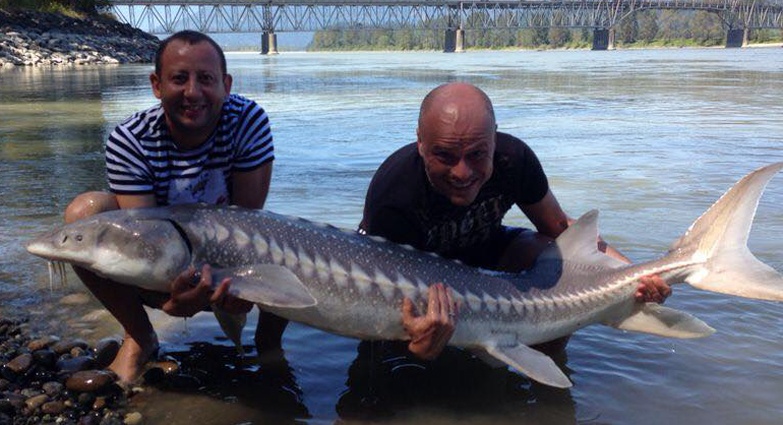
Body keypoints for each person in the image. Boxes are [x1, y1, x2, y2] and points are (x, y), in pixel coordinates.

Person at [358, 82, 671, 363]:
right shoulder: (393, 194)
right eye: (445, 155)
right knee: (392, 358)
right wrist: (414, 348)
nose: (462, 173)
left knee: (555, 258)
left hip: (487, 251)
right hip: (417, 276)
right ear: (420, 143)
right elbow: (380, 298)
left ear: (495, 139)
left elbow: (560, 227)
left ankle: (549, 361)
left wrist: (636, 274)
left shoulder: (514, 159)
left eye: (477, 154)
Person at [64, 30, 284, 383]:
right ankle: (139, 336)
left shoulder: (248, 120)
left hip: (234, 249)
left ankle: (270, 346)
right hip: (168, 260)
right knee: (83, 217)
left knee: (285, 242)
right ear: (156, 84)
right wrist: (173, 300)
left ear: (226, 84)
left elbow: (249, 226)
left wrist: (240, 284)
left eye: (206, 79)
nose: (193, 93)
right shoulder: (130, 140)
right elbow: (145, 240)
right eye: (179, 79)